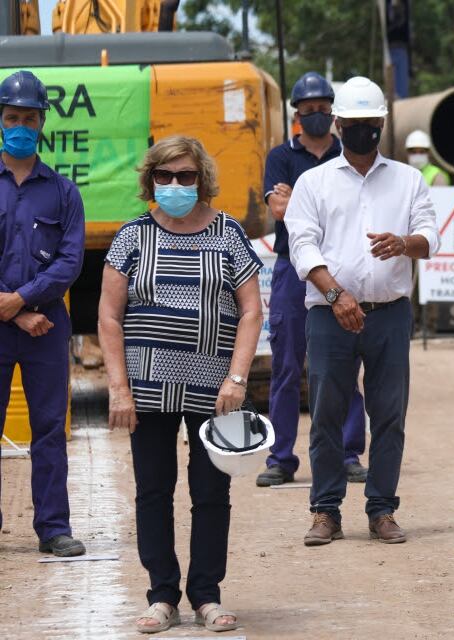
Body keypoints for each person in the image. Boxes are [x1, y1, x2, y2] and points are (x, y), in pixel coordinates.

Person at [98, 135, 262, 634]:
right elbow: (108, 315)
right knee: (153, 490)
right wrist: (119, 388)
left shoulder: (228, 233)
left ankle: (207, 596)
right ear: (151, 179)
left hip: (217, 391)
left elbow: (252, 310)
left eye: (186, 176)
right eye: (165, 176)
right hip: (148, 389)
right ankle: (162, 596)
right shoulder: (131, 237)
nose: (175, 185)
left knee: (211, 492)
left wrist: (237, 379)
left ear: (202, 179)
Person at [285, 76, 438, 546]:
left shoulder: (408, 180)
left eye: (372, 123)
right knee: (328, 411)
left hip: (389, 314)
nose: (364, 130)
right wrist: (337, 296)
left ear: (382, 124)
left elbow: (429, 235)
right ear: (338, 124)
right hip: (330, 313)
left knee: (389, 413)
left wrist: (404, 243)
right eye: (355, 123)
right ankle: (325, 510)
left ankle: (382, 509)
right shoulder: (314, 182)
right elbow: (302, 246)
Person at [259, 71, 370, 487]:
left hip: (341, 268)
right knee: (287, 363)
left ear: (334, 113)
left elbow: (302, 207)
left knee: (345, 362)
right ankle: (281, 458)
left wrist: (300, 202)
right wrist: (311, 207)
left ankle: (348, 453)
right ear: (297, 114)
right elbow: (281, 211)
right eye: (309, 111)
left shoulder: (349, 154)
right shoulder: (280, 157)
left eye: (324, 109)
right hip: (293, 269)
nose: (317, 116)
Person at [0, 70, 86, 558]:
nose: (20, 126)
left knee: (49, 429)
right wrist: (14, 313)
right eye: (12, 117)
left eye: (29, 118)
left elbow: (71, 262)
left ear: (42, 123)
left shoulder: (63, 193)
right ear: (0, 120)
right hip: (13, 323)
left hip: (47, 330)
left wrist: (24, 300)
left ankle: (53, 527)